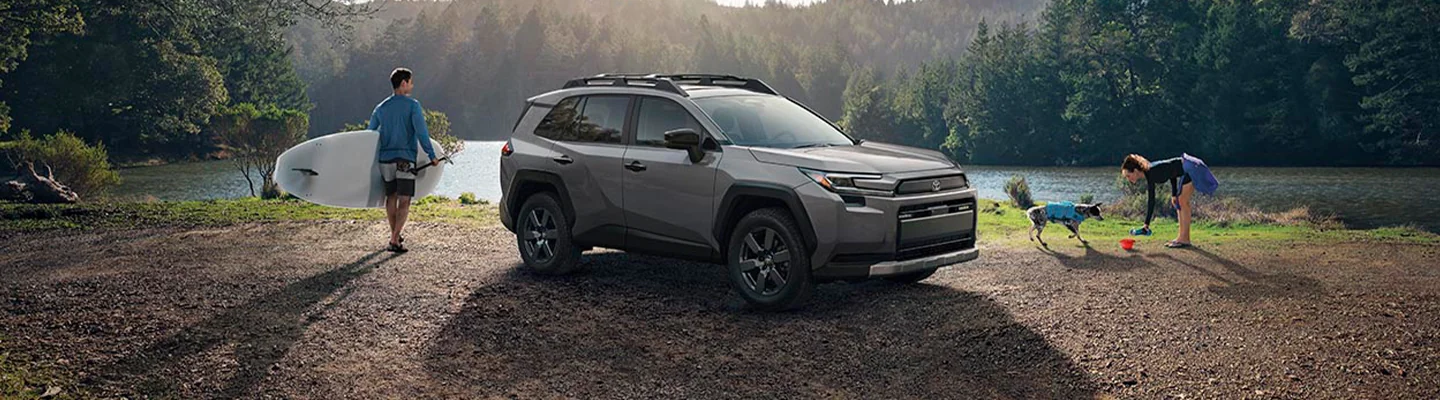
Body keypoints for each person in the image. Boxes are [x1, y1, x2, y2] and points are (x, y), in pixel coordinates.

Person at [369, 67, 437, 253]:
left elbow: (369, 134)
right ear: (404, 83)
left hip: (385, 160)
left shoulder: (381, 107)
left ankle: (395, 236)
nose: (412, 85)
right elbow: (422, 133)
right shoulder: (413, 105)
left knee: (391, 197)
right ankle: (394, 239)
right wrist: (432, 155)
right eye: (411, 82)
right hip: (405, 159)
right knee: (405, 200)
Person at [1121, 153, 1219, 248]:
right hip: (1189, 166)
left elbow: (1152, 200)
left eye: (1128, 176)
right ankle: (1183, 238)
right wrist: (1173, 194)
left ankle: (1184, 239)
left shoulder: (1151, 172)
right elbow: (1172, 174)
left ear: (1135, 170)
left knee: (1182, 202)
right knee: (1180, 202)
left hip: (1191, 166)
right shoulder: (1150, 171)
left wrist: (1146, 224)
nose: (1128, 179)